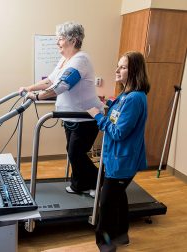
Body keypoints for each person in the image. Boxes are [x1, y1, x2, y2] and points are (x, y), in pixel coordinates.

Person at [19, 21, 103, 195]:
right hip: (71, 117)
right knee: (73, 152)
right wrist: (29, 88)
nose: (57, 43)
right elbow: (50, 80)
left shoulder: (81, 60)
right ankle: (80, 184)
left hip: (87, 117)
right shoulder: (65, 60)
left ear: (73, 40)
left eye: (60, 39)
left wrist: (36, 97)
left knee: (76, 153)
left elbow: (63, 84)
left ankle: (99, 183)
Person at [87, 51, 151, 252]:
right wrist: (107, 104)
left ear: (134, 71)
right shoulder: (125, 95)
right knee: (119, 197)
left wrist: (98, 116)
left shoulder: (134, 98)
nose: (117, 70)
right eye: (118, 65)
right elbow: (118, 116)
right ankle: (122, 235)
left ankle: (105, 244)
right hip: (116, 158)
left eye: (122, 67)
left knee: (106, 205)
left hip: (122, 160)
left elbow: (119, 131)